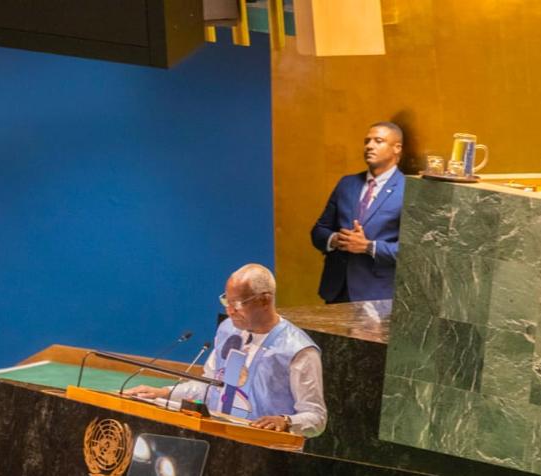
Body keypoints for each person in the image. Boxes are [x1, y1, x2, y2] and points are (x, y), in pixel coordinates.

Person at [127, 264, 326, 438]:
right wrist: (163, 393)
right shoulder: (228, 330)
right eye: (226, 301)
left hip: (266, 451)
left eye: (238, 304)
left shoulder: (298, 350)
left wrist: (286, 422)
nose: (230, 311)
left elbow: (316, 418)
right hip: (218, 436)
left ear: (265, 300)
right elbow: (209, 387)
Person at [310, 121, 405, 303]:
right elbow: (319, 230)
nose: (369, 146)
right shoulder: (347, 184)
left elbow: (413, 252)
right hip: (336, 291)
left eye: (378, 141)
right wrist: (335, 240)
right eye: (367, 141)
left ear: (397, 148)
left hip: (377, 296)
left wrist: (369, 246)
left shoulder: (407, 190)